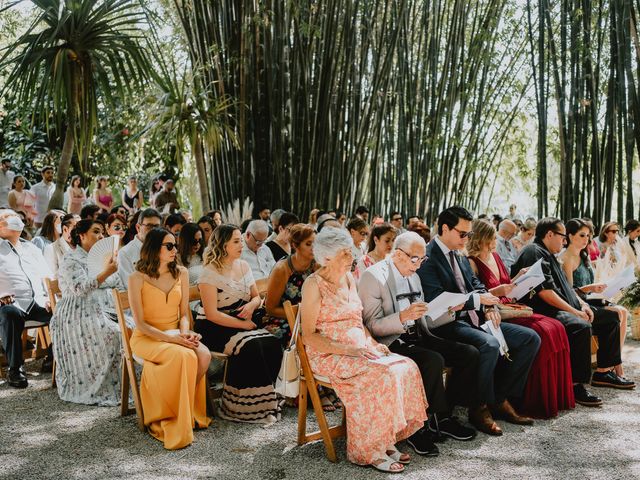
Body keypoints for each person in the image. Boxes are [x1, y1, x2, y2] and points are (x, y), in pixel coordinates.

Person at [300, 227, 428, 473]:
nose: (352, 258)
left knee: (405, 366)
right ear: (327, 258)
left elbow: (357, 323)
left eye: (351, 253)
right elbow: (309, 336)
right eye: (345, 254)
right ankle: (368, 450)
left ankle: (385, 438)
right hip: (328, 354)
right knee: (380, 374)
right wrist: (349, 350)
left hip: (359, 348)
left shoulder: (349, 278)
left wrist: (372, 343)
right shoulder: (313, 285)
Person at [417, 206, 540, 436]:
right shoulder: (428, 257)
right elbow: (436, 300)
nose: (466, 238)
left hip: (474, 318)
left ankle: (499, 398)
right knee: (489, 344)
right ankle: (479, 407)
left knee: (530, 339)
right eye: (463, 233)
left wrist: (490, 304)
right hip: (446, 324)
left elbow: (477, 285)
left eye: (469, 234)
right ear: (444, 228)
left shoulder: (459, 253)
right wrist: (477, 301)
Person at [358, 231, 477, 447]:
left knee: (468, 353)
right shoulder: (373, 277)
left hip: (419, 334)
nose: (419, 265)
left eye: (423, 259)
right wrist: (403, 317)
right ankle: (425, 424)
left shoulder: (413, 275)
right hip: (390, 341)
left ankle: (445, 413)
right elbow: (371, 326)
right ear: (398, 254)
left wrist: (451, 309)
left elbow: (426, 319)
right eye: (415, 259)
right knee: (432, 360)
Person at [511, 218, 633, 407]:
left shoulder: (549, 253)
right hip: (547, 310)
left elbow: (567, 289)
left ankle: (603, 372)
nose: (564, 241)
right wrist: (574, 312)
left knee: (611, 317)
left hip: (567, 305)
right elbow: (545, 292)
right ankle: (577, 384)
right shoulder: (533, 252)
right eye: (562, 236)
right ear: (549, 234)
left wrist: (582, 305)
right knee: (580, 326)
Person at [467, 220, 575, 418]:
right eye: (492, 237)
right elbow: (478, 295)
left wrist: (519, 278)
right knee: (540, 332)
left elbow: (507, 286)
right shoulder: (471, 262)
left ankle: (534, 394)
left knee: (555, 326)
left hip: (509, 306)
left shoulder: (496, 256)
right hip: (492, 314)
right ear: (482, 239)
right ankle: (516, 397)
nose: (496, 241)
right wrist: (498, 292)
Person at [128, 228, 211, 449]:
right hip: (147, 337)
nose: (175, 250)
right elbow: (141, 324)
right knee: (184, 356)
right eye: (169, 246)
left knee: (204, 355)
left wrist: (184, 333)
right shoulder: (136, 278)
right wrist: (173, 340)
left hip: (175, 332)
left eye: (175, 245)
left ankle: (180, 408)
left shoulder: (181, 273)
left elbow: (184, 314)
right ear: (154, 248)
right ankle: (173, 416)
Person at [196, 225, 283, 424]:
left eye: (241, 240)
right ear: (222, 244)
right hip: (214, 326)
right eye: (236, 241)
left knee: (271, 341)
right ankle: (243, 408)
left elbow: (256, 297)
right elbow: (211, 314)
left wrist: (252, 306)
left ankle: (269, 401)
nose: (241, 245)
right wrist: (242, 325)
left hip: (243, 319)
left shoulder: (243, 265)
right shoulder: (208, 273)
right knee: (251, 346)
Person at [50, 219, 127, 405]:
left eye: (102, 232)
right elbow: (80, 288)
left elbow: (118, 283)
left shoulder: (105, 258)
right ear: (82, 235)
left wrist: (108, 274)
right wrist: (105, 274)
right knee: (114, 335)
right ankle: (107, 387)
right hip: (77, 313)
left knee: (134, 330)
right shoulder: (71, 259)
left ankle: (131, 385)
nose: (101, 236)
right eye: (96, 232)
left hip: (107, 308)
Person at [560, 218, 632, 381]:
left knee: (622, 312)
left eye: (588, 235)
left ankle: (613, 364)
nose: (587, 239)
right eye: (582, 235)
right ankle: (611, 367)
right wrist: (590, 289)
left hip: (589, 298)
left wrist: (601, 287)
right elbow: (569, 292)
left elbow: (589, 285)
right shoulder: (567, 258)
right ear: (570, 236)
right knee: (616, 314)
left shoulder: (583, 255)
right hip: (578, 303)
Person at [0, 209, 53, 388]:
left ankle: (54, 357)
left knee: (62, 312)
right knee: (10, 314)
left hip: (38, 301)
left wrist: (49, 297)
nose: (16, 220)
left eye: (15, 217)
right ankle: (15, 370)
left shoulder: (32, 248)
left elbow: (47, 275)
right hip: (9, 303)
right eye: (8, 218)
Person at [264, 224, 318, 344]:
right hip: (283, 319)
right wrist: (302, 317)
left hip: (310, 317)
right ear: (295, 245)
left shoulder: (317, 265)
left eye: (316, 243)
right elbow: (271, 309)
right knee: (305, 336)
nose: (314, 247)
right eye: (308, 244)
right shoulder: (282, 269)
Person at [117, 208, 163, 284]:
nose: (154, 230)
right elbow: (128, 284)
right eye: (149, 226)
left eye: (157, 226)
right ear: (138, 227)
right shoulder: (125, 253)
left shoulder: (164, 248)